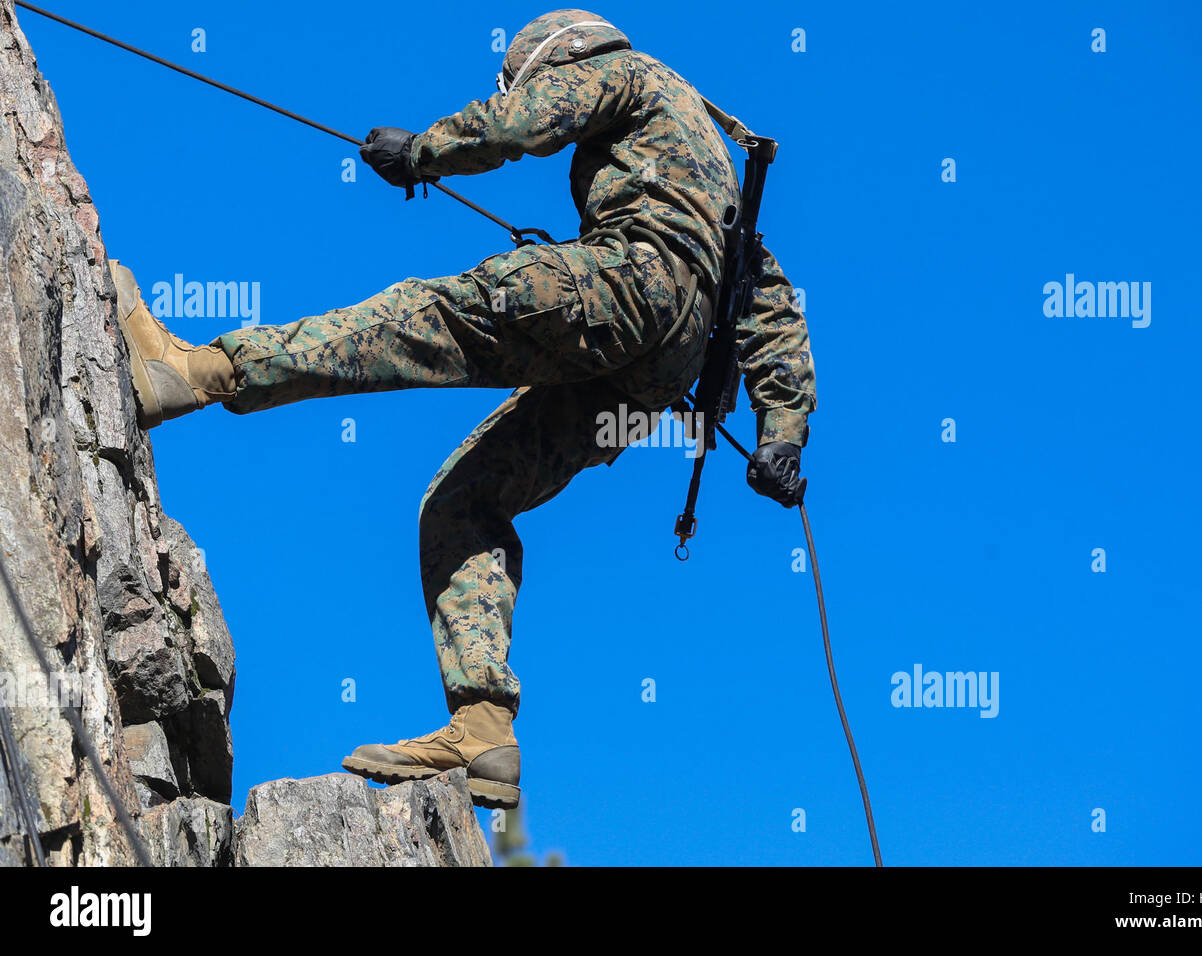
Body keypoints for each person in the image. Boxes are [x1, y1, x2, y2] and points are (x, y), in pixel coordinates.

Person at [112, 9, 816, 810]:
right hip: (655, 375)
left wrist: (422, 152)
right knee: (465, 501)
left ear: (560, 56)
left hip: (621, 283)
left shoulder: (631, 72)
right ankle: (483, 727)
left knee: (423, 319)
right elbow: (773, 305)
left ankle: (192, 373)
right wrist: (782, 435)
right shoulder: (715, 159)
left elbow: (525, 122)